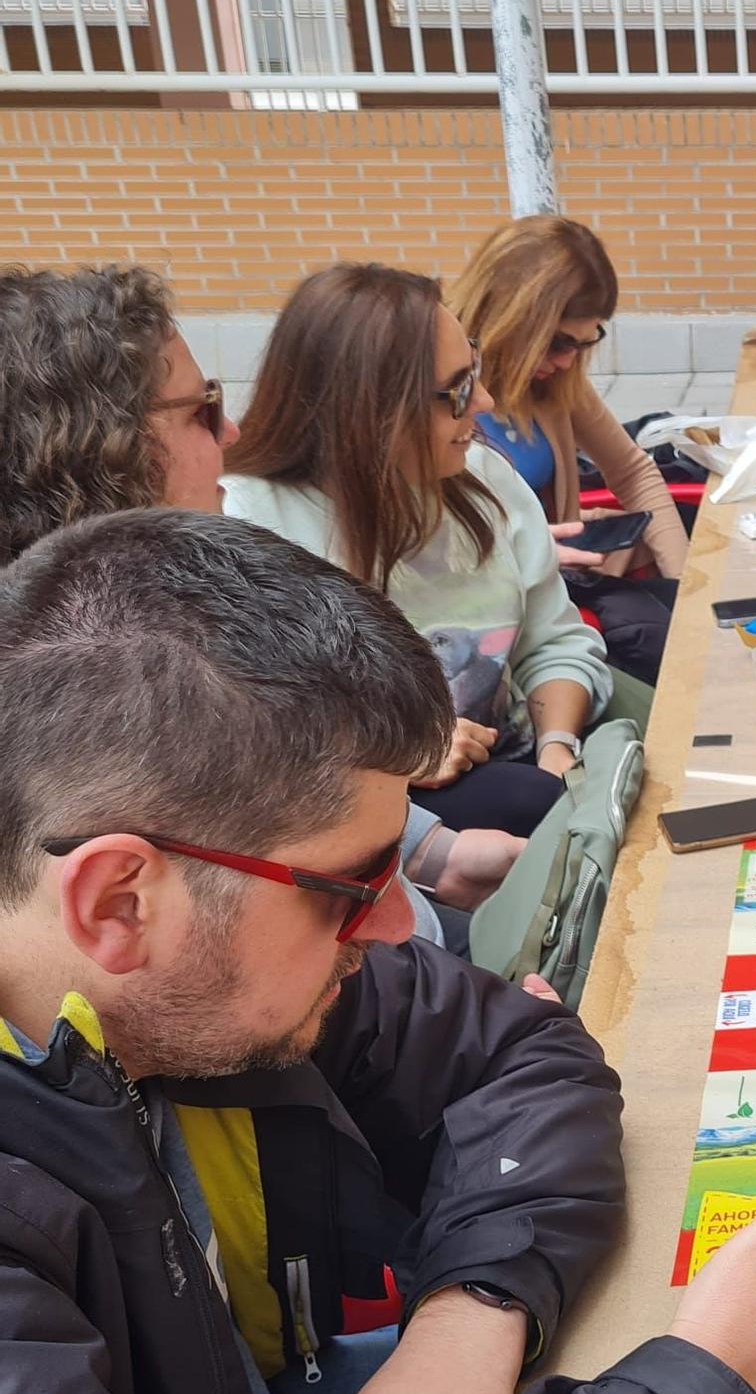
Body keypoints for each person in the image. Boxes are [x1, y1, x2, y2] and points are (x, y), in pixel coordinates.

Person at [0, 509, 756, 1394]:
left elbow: (530, 1052)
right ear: (119, 902)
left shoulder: (192, 975)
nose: (395, 924)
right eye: (351, 885)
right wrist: (710, 1379)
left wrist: (464, 1325)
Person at [0, 264, 522, 923]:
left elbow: (302, 781)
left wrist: (436, 853)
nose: (232, 432)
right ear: (103, 451)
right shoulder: (98, 693)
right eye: (204, 410)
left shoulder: (157, 595)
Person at [224, 263, 617, 840]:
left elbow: (554, 642)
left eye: (475, 372)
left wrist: (558, 747)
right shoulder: (249, 528)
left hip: (518, 756)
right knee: (526, 803)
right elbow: (252, 744)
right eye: (456, 390)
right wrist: (398, 749)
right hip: (380, 808)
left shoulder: (482, 477)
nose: (483, 402)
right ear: (368, 411)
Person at [447, 217, 688, 683]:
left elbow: (635, 473)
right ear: (507, 317)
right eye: (557, 343)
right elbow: (424, 556)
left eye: (585, 342)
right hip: (493, 630)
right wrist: (522, 557)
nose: (567, 362)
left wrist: (687, 588)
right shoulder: (433, 394)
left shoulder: (556, 383)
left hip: (556, 594)